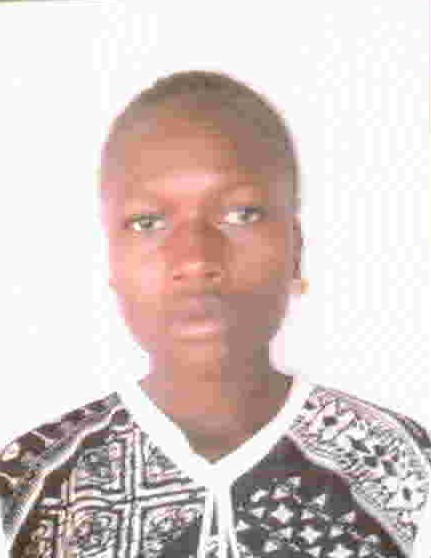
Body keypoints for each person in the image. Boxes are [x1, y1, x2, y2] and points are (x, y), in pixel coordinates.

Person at [0, 70, 429, 558]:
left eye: (241, 214)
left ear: (296, 250)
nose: (195, 259)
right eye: (147, 222)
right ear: (111, 261)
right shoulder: (26, 482)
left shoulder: (406, 470)